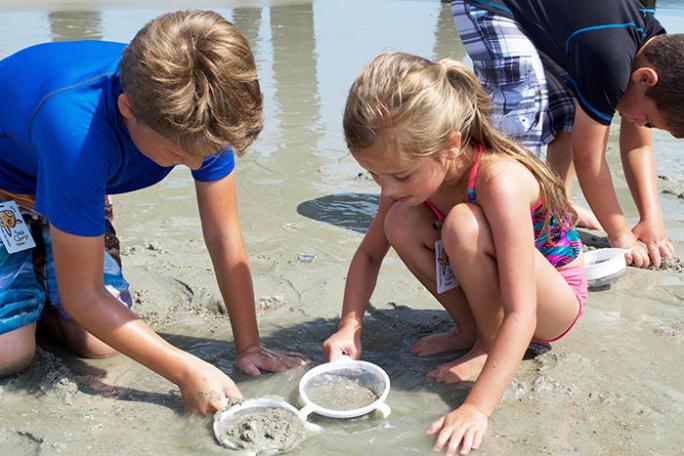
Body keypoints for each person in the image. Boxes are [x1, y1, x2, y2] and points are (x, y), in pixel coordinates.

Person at [0, 10, 307, 414]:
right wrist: (183, 370)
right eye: (178, 154)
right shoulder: (77, 131)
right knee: (11, 354)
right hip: (12, 182)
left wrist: (249, 344)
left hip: (74, 181)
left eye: (207, 154)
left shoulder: (203, 118)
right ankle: (35, 285)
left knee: (100, 343)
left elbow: (223, 236)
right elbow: (83, 296)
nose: (198, 165)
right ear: (127, 107)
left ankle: (39, 278)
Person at [323, 52, 587, 455]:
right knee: (399, 220)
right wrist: (349, 326)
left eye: (399, 176)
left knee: (463, 225)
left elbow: (523, 311)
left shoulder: (500, 180)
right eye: (375, 174)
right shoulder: (402, 176)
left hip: (553, 295)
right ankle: (471, 330)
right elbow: (369, 255)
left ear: (449, 146)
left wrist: (476, 409)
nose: (387, 187)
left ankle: (486, 343)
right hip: (506, 287)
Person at [450, 0, 680, 268]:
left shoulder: (656, 50)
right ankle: (506, 212)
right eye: (649, 120)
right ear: (644, 78)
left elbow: (638, 147)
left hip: (535, 20)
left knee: (575, 108)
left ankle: (552, 206)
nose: (641, 124)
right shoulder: (611, 59)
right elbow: (588, 159)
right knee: (523, 114)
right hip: (489, 7)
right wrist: (620, 234)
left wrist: (651, 218)